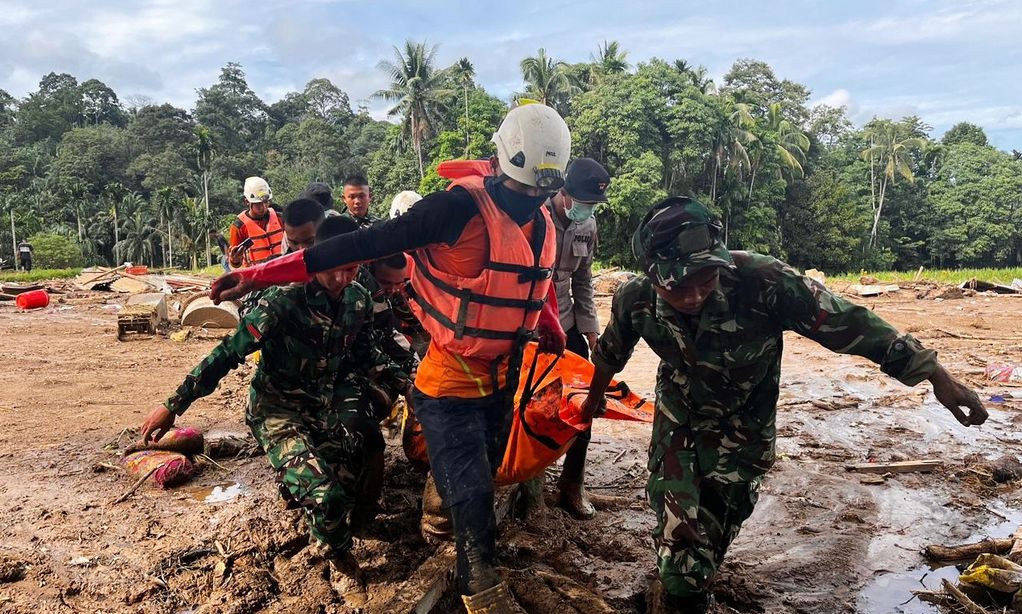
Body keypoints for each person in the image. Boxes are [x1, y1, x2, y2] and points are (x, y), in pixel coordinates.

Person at [209, 101, 572, 613]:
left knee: (483, 472)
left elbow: (534, 273)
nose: (531, 200)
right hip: (448, 381)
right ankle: (482, 590)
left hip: (500, 377)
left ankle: (451, 536)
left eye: (540, 192)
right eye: (524, 190)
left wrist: (549, 321)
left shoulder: (542, 218)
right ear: (498, 165)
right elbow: (357, 245)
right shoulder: (452, 211)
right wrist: (257, 275)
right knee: (471, 493)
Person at [578, 197, 989, 612]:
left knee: (713, 535)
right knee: (681, 550)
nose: (695, 293)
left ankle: (691, 577)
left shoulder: (764, 282)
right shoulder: (634, 297)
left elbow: (850, 323)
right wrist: (593, 401)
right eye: (678, 286)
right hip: (678, 419)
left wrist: (934, 374)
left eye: (706, 278)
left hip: (743, 429)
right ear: (652, 274)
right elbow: (611, 353)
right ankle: (680, 589)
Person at [140, 214, 410, 607]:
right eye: (333, 270)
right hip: (277, 410)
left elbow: (367, 353)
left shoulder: (358, 300)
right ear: (316, 260)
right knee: (326, 497)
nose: (341, 279)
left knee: (348, 477)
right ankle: (341, 563)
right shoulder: (283, 302)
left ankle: (307, 505)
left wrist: (412, 387)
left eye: (351, 270)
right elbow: (226, 354)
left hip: (321, 407)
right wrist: (173, 405)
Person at [546, 157, 610, 520]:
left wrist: (591, 331)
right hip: (532, 326)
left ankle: (572, 484)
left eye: (593, 204)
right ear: (564, 193)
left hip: (567, 321)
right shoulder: (534, 217)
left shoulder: (588, 224)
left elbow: (583, 281)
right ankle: (522, 479)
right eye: (583, 201)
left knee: (585, 401)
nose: (586, 209)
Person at [228, 177, 283, 268]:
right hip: (258, 274)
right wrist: (235, 259)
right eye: (258, 204)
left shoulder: (280, 218)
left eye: (265, 202)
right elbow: (235, 263)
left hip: (283, 270)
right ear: (247, 202)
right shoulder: (239, 227)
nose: (263, 207)